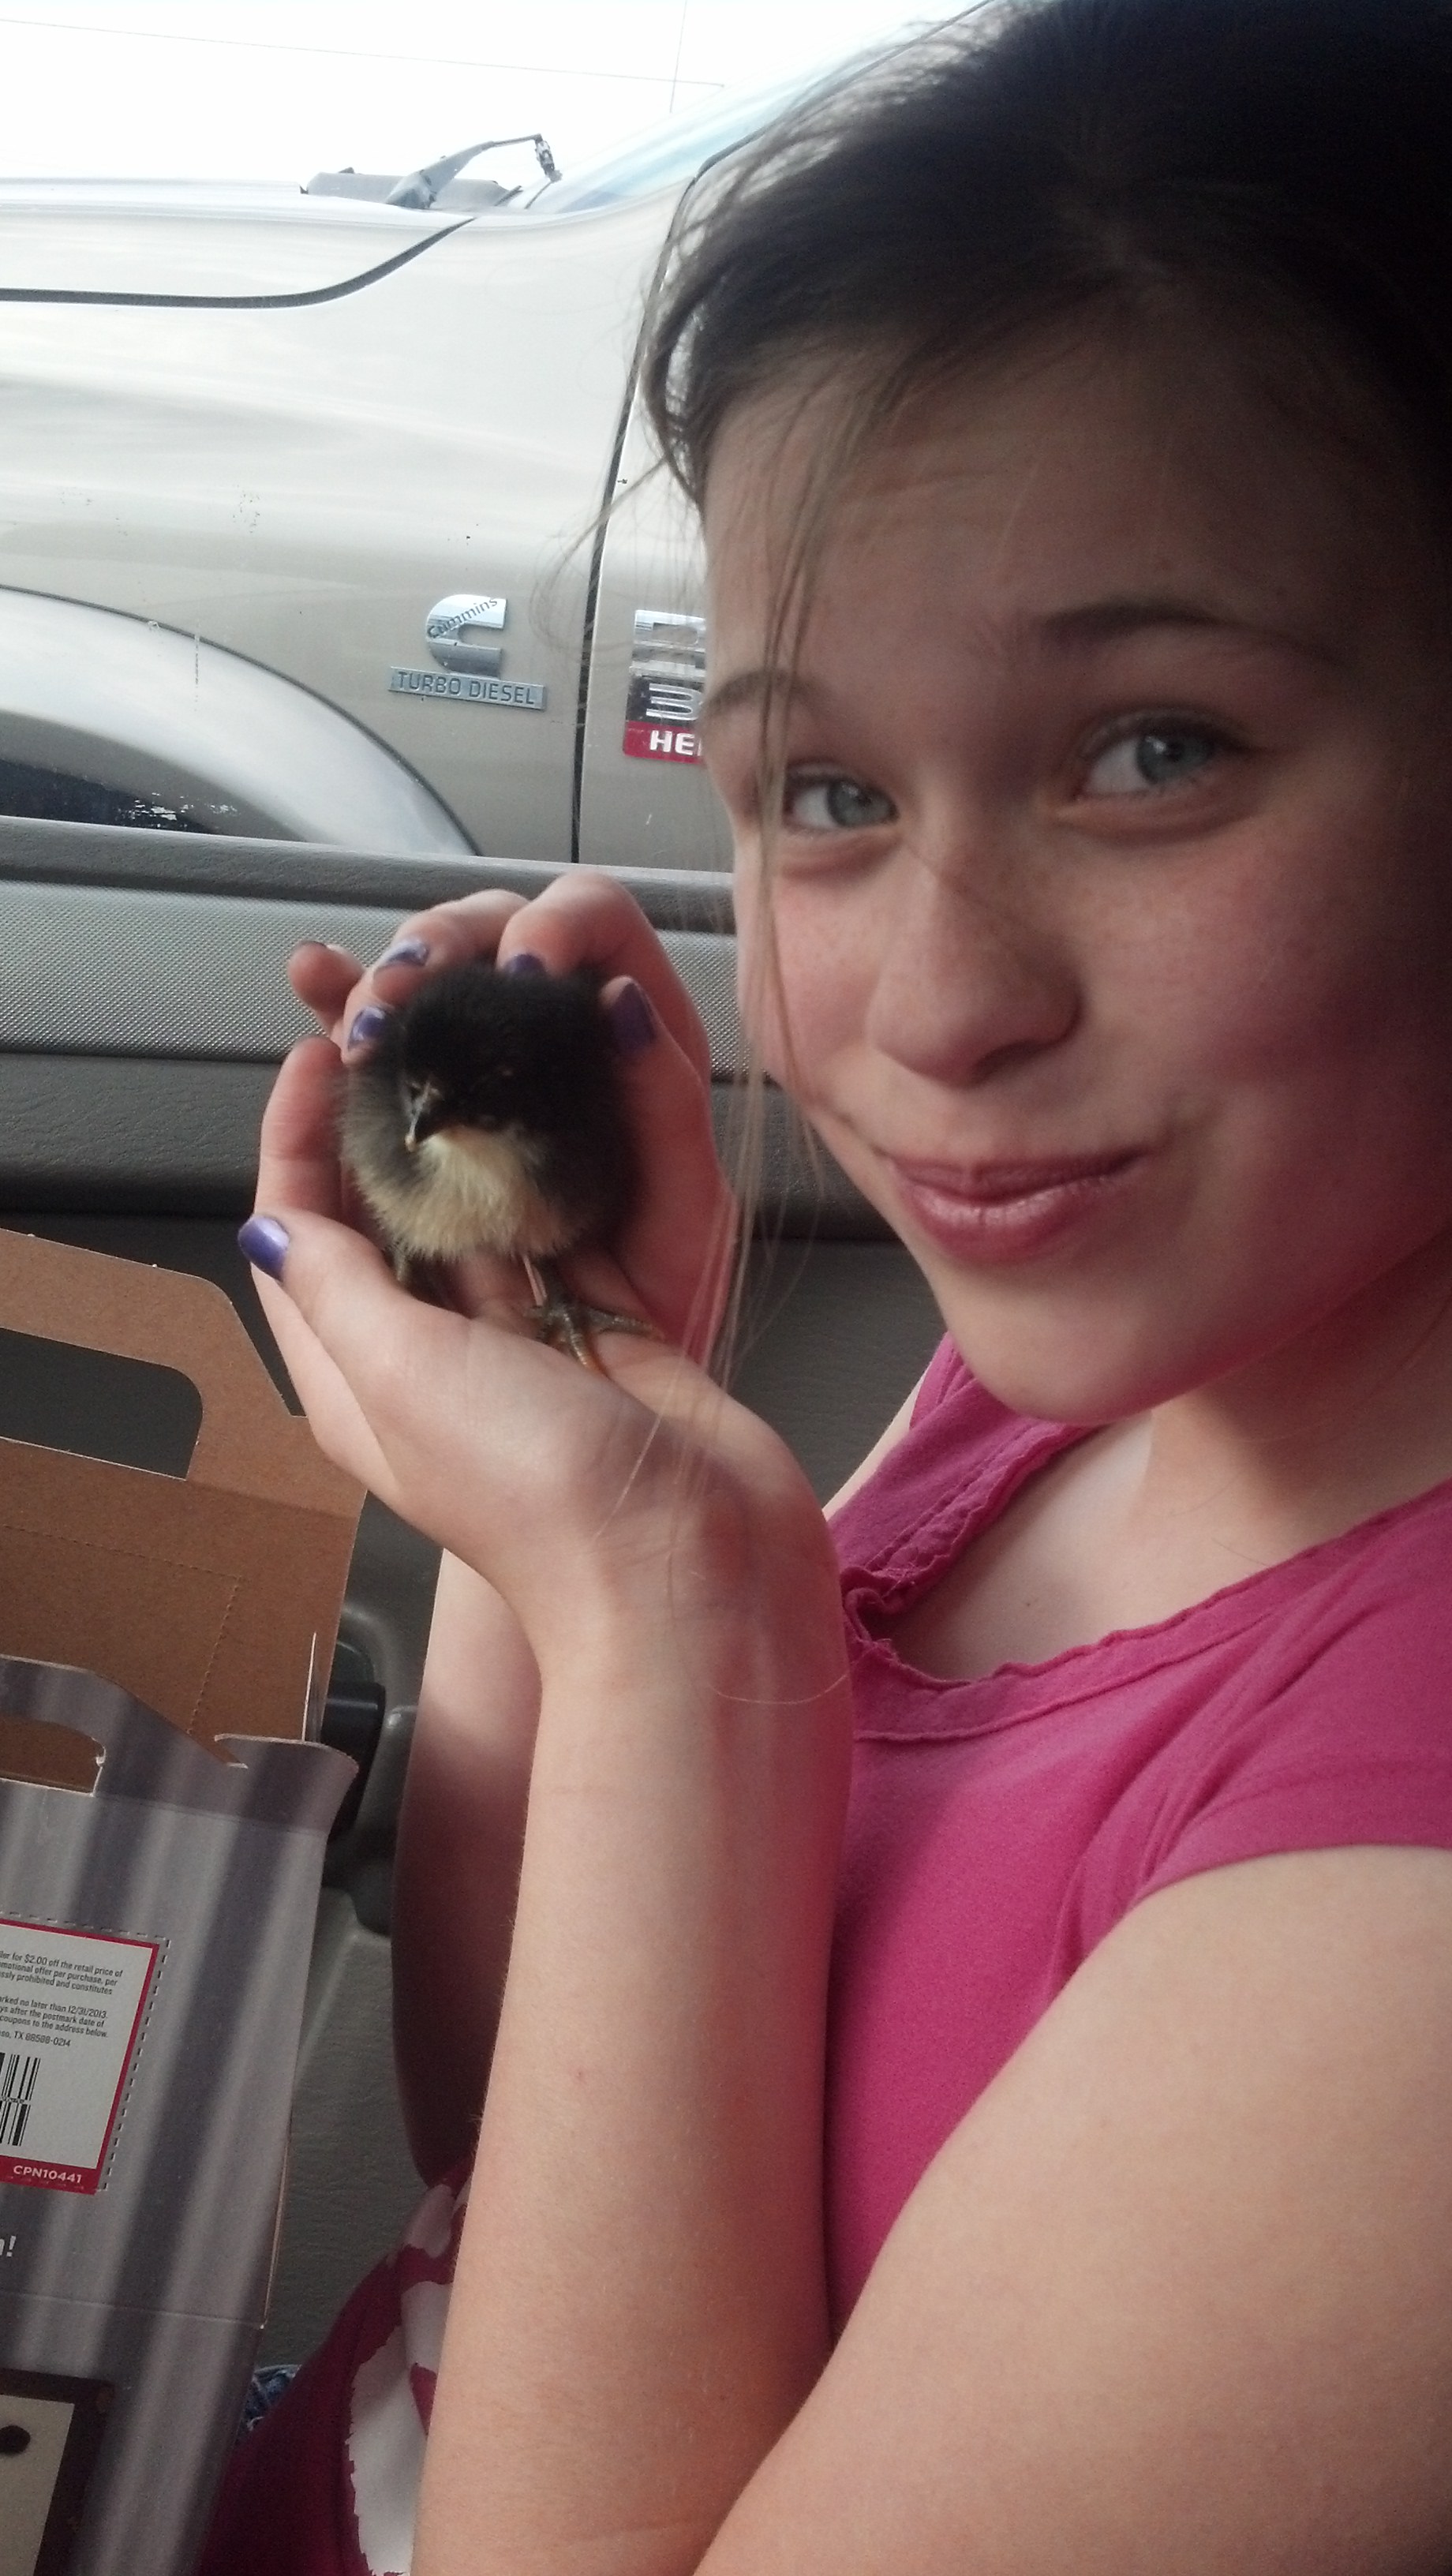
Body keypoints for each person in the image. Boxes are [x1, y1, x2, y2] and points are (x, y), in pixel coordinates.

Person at [202, 1, 1452, 2566]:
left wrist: (679, 1609)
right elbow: (520, 2168)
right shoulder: (1097, 1372)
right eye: (834, 793)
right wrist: (579, 1397)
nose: (939, 1007)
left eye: (1157, 752)